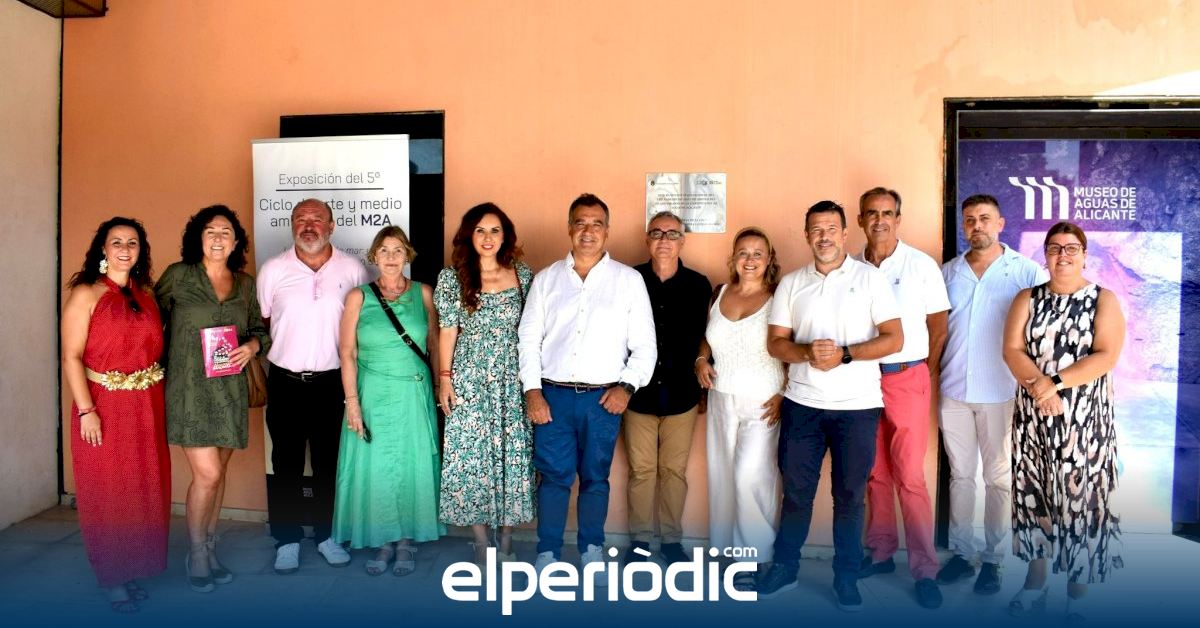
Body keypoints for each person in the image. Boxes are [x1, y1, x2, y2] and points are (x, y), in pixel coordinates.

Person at [756, 200, 903, 611]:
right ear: (807, 235)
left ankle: (846, 576)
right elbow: (776, 343)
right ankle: (786, 568)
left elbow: (895, 338)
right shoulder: (791, 283)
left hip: (857, 407)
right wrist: (806, 353)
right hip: (802, 405)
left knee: (850, 497)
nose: (824, 237)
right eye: (817, 230)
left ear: (845, 233)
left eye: (831, 229)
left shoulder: (870, 278)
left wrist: (846, 355)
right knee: (796, 494)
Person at [518, 193, 656, 580]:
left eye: (596, 224)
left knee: (596, 478)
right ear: (569, 228)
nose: (588, 231)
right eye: (581, 222)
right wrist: (532, 391)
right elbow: (528, 340)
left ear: (607, 231)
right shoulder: (546, 279)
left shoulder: (628, 281)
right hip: (553, 397)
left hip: (603, 399)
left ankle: (591, 548)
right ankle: (548, 551)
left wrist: (627, 387)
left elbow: (645, 345)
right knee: (554, 477)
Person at [1002, 222, 1124, 621]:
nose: (1063, 255)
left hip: (1084, 422)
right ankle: (1034, 582)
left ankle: (1078, 592)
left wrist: (1052, 383)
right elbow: (1012, 349)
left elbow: (1106, 355)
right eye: (1055, 248)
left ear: (1085, 255)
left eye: (1072, 248)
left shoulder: (1103, 299)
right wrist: (1041, 392)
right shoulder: (1027, 298)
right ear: (1046, 255)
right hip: (1034, 417)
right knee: (1033, 495)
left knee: (1080, 502)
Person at [155, 205, 270, 593]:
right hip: (189, 390)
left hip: (229, 390)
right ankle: (197, 553)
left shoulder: (245, 284)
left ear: (235, 242)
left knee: (217, 475)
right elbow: (148, 321)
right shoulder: (178, 276)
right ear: (198, 238)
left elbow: (259, 330)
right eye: (210, 231)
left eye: (226, 232)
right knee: (208, 474)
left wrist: (252, 346)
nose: (218, 238)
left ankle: (209, 546)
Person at [937, 194, 1048, 594]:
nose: (976, 226)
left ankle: (994, 560)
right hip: (953, 389)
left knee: (999, 478)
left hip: (1001, 391)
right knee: (961, 475)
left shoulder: (1025, 271)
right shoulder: (948, 273)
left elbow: (1043, 328)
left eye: (985, 218)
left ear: (1000, 223)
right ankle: (963, 553)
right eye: (969, 220)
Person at [61, 217, 170, 613]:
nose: (125, 249)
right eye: (117, 242)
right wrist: (86, 410)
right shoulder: (86, 294)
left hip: (145, 406)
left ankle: (132, 567)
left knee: (141, 489)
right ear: (103, 249)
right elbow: (71, 356)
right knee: (107, 492)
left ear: (141, 251)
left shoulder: (147, 295)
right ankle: (112, 578)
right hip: (102, 405)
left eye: (133, 242)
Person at [257, 198, 368, 574]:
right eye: (300, 219)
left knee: (328, 464)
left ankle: (327, 536)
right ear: (291, 226)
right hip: (285, 382)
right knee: (285, 463)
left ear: (331, 226)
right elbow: (264, 321)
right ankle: (286, 540)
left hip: (332, 384)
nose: (308, 226)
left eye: (317, 219)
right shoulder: (273, 269)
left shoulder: (352, 269)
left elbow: (361, 326)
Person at [852, 188, 950, 609]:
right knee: (875, 473)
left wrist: (922, 372)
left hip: (906, 377)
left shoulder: (920, 265)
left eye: (887, 213)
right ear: (860, 219)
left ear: (898, 218)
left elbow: (938, 327)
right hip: (860, 380)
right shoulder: (850, 267)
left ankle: (925, 569)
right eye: (871, 213)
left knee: (910, 476)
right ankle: (880, 553)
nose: (880, 220)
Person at [332, 226, 445, 576]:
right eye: (384, 250)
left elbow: (435, 344)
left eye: (398, 250)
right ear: (374, 256)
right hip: (372, 394)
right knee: (377, 468)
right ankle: (383, 540)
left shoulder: (424, 293)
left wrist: (440, 385)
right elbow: (347, 353)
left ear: (407, 255)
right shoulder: (358, 297)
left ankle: (407, 540)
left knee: (411, 464)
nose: (392, 257)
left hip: (413, 393)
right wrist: (352, 402)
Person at [434, 203, 534, 566]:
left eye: (494, 230)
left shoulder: (523, 274)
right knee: (470, 456)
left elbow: (533, 329)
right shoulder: (453, 277)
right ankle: (480, 543)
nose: (487, 237)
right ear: (468, 235)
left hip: (512, 378)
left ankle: (506, 541)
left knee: (512, 455)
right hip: (469, 378)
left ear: (505, 236)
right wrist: (445, 379)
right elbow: (448, 331)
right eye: (480, 230)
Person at [696, 226, 785, 591]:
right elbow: (709, 337)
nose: (750, 259)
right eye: (743, 252)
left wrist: (785, 393)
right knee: (722, 475)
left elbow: (792, 345)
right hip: (721, 397)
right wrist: (701, 359)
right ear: (733, 258)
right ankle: (726, 550)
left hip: (763, 400)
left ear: (769, 259)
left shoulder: (779, 296)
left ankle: (754, 556)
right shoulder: (719, 293)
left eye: (758, 253)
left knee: (752, 476)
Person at [623, 211, 712, 565]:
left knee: (674, 472)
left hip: (682, 396)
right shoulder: (630, 279)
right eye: (657, 233)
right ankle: (640, 542)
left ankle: (672, 542)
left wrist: (703, 385)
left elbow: (707, 336)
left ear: (682, 241)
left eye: (672, 233)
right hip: (637, 394)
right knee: (641, 472)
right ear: (647, 239)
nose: (664, 239)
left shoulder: (699, 285)